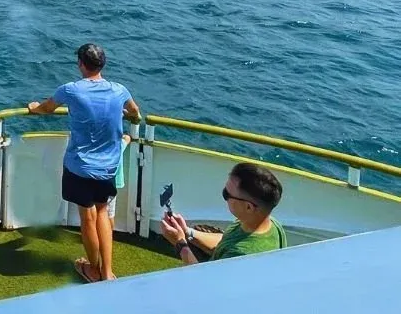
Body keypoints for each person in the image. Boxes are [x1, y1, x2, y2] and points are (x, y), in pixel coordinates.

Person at [27, 43, 141, 283]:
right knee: (102, 212)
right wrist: (132, 117)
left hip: (80, 166)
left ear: (81, 64)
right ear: (103, 64)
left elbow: (47, 108)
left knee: (87, 216)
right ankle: (107, 272)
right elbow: (134, 111)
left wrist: (33, 108)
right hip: (108, 166)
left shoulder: (71, 90)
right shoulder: (119, 90)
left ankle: (93, 269)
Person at [160, 162, 286, 265]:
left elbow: (206, 285)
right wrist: (187, 232)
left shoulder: (241, 256)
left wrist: (180, 244)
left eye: (227, 194)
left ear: (248, 207)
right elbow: (225, 242)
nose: (224, 196)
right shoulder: (270, 224)